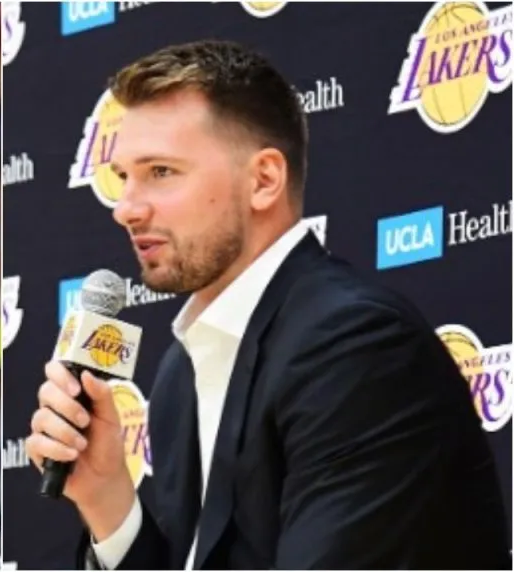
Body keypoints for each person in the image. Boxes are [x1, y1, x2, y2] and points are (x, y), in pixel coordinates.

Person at [26, 40, 510, 570]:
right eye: (123, 177)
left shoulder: (354, 346)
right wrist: (107, 500)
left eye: (160, 171)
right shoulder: (179, 375)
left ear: (264, 180)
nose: (125, 209)